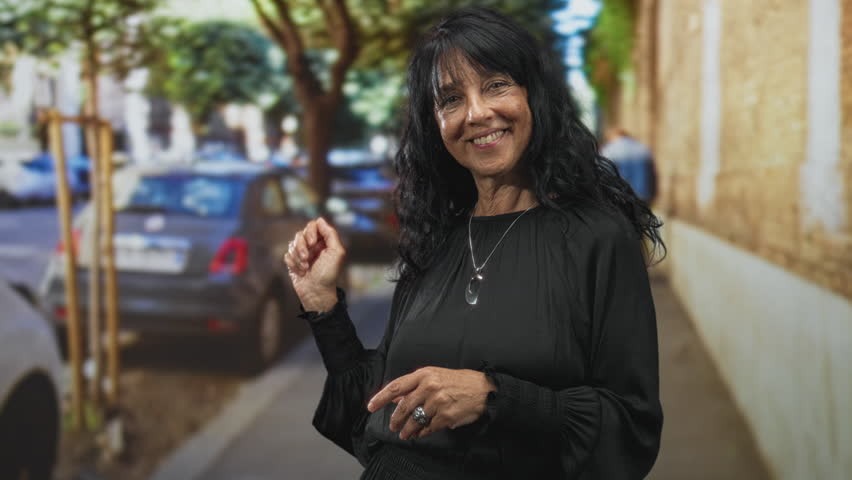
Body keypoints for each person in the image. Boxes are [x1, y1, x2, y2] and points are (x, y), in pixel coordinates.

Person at [283, 7, 664, 479]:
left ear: (534, 95)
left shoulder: (597, 238)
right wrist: (324, 307)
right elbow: (380, 403)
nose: (477, 113)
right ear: (435, 124)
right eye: (450, 99)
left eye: (496, 84)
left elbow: (630, 427)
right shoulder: (436, 239)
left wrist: (493, 397)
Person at [601, 127, 657, 204]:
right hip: (642, 194)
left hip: (621, 196)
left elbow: (605, 173)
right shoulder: (642, 148)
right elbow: (652, 175)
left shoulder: (609, 150)